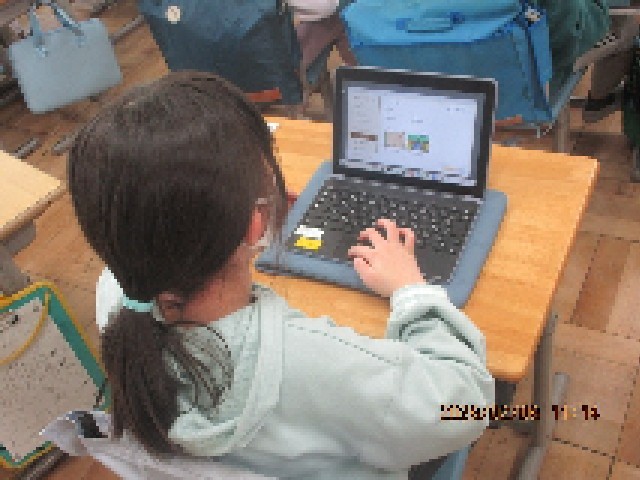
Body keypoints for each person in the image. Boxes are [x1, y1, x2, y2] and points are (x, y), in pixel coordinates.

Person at [70, 71, 494, 480]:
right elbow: (462, 409)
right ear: (255, 224)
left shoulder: (117, 297)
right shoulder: (317, 365)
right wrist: (412, 289)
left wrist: (249, 221)